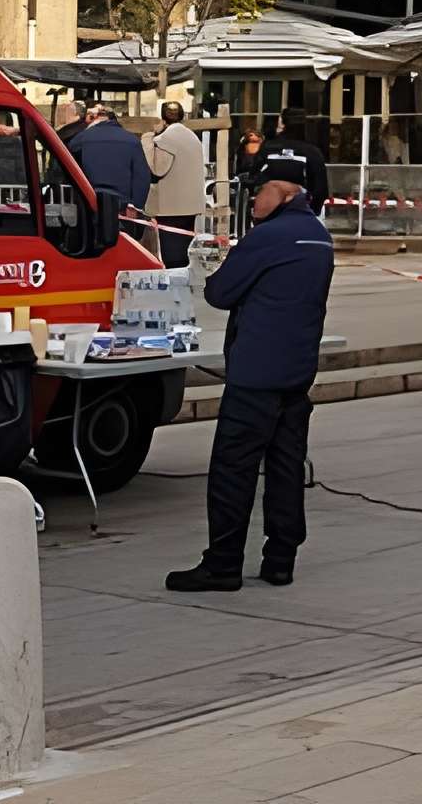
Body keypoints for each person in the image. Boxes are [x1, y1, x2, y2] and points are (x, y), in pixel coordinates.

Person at [168, 143, 333, 592]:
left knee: (232, 468)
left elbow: (220, 293)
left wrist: (220, 267)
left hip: (256, 374)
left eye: (258, 191)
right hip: (296, 372)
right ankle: (280, 558)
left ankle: (222, 563)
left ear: (281, 192)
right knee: (284, 468)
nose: (253, 200)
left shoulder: (267, 238)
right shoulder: (318, 236)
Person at [145, 101, 210, 268]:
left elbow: (157, 169)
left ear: (163, 118)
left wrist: (147, 137)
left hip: (171, 207)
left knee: (172, 255)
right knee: (184, 250)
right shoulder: (191, 136)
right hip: (190, 204)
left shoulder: (166, 138)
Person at [71, 103, 154, 224]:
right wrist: (136, 206)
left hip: (89, 202)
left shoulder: (83, 138)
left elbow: (68, 155)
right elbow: (142, 177)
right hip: (122, 207)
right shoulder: (132, 140)